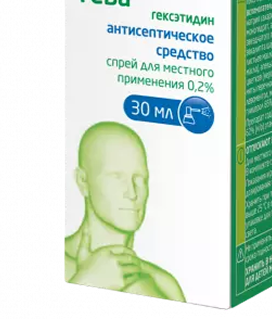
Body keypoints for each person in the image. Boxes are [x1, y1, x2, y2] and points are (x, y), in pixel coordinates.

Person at [65, 122, 185, 301]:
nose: (132, 193)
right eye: (117, 177)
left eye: (140, 178)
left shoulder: (165, 285)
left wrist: (139, 289)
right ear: (83, 181)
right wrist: (87, 282)